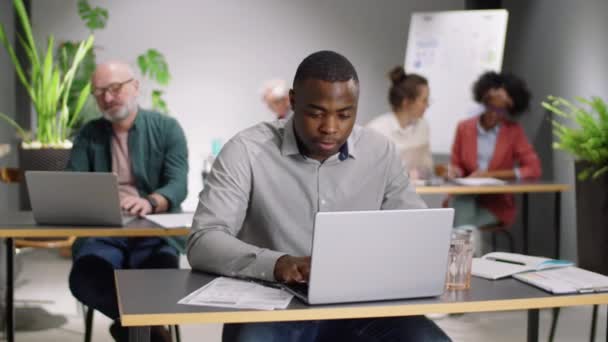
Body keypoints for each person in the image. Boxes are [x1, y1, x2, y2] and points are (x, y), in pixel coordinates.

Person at [188, 51, 450, 342]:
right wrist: (278, 263)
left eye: (344, 115)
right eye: (316, 113)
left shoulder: (380, 152)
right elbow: (204, 240)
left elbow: (415, 230)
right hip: (274, 304)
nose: (330, 127)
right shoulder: (246, 150)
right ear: (293, 100)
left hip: (362, 307)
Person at [66, 61, 188, 342]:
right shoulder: (89, 133)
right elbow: (74, 179)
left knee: (160, 280)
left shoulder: (167, 128)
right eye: (99, 92)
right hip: (103, 230)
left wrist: (152, 201)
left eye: (115, 88)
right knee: (85, 278)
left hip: (154, 230)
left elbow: (178, 183)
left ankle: (131, 328)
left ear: (135, 86)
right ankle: (142, 329)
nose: (108, 98)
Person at [448, 71, 541, 253]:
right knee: (464, 211)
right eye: (489, 106)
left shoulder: (513, 132)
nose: (493, 113)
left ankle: (465, 265)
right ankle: (472, 264)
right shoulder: (464, 128)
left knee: (460, 225)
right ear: (482, 101)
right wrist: (454, 171)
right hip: (465, 196)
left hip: (495, 205)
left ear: (508, 110)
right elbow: (457, 164)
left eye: (500, 110)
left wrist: (490, 175)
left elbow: (533, 169)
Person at [367, 67, 432, 180]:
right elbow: (366, 173)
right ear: (406, 102)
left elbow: (427, 168)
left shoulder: (423, 127)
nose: (427, 105)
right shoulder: (376, 130)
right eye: (424, 100)